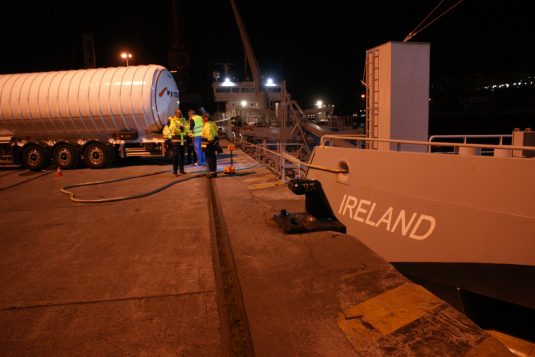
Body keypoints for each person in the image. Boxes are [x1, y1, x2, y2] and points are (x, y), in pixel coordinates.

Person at [167, 109, 189, 175]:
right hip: (175, 140)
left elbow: (187, 127)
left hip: (182, 139)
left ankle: (182, 170)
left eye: (180, 113)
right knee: (176, 156)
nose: (180, 114)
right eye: (178, 113)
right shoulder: (173, 120)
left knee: (182, 155)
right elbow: (172, 129)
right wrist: (180, 129)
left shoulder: (183, 119)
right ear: (176, 114)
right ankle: (175, 170)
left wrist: (184, 128)